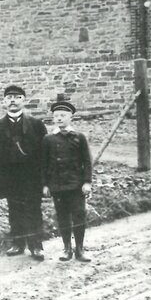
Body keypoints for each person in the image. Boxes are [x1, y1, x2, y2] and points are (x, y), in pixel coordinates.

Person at [0, 84, 47, 260]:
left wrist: (42, 178)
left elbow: (44, 151)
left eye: (17, 97)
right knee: (14, 209)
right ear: (4, 102)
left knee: (33, 209)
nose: (13, 100)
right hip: (9, 176)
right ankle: (18, 244)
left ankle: (36, 246)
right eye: (9, 97)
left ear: (23, 101)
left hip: (31, 176)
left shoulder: (36, 125)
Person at [41, 100, 93, 263]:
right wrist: (45, 184)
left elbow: (87, 161)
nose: (59, 119)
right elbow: (43, 164)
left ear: (70, 117)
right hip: (57, 185)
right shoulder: (48, 139)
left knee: (79, 216)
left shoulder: (79, 138)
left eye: (63, 116)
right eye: (56, 116)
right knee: (62, 217)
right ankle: (66, 248)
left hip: (76, 185)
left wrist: (87, 182)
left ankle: (79, 249)